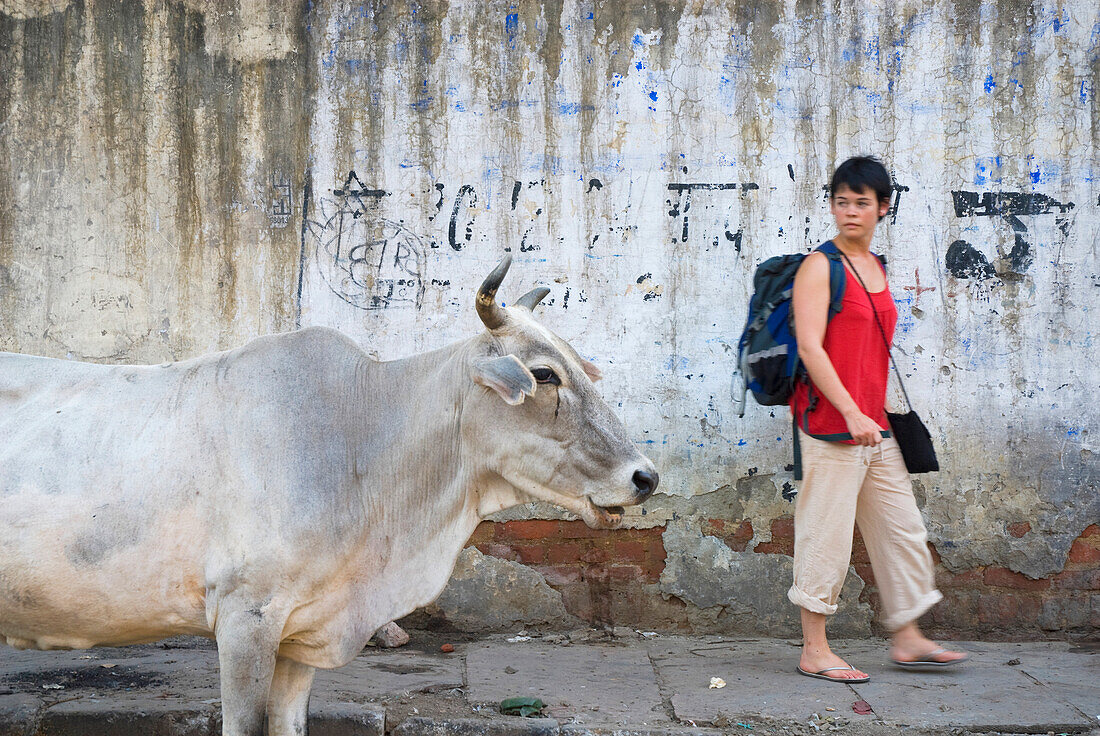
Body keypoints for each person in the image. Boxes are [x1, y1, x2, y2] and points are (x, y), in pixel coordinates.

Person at [787, 156, 966, 683]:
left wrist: (875, 411)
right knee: (827, 534)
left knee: (901, 529)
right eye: (841, 201)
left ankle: (908, 638)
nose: (850, 212)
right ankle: (814, 649)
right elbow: (810, 348)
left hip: (875, 425)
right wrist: (848, 409)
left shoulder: (877, 267)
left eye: (861, 203)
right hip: (831, 424)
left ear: (882, 208)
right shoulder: (820, 267)